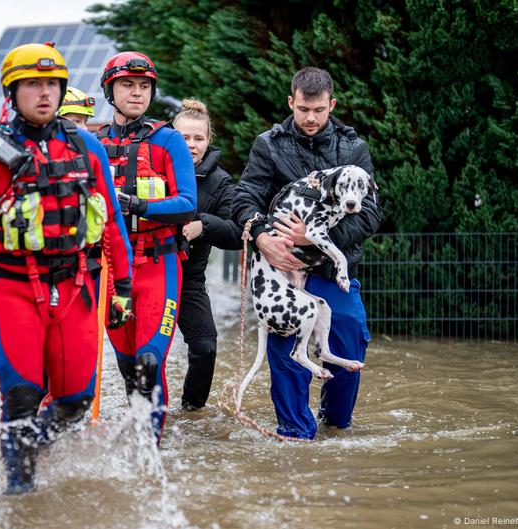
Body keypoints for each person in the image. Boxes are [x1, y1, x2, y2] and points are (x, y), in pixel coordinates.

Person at [0, 42, 134, 494]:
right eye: (32, 85)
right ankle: (19, 492)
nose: (44, 93)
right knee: (22, 396)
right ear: (13, 90)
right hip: (13, 288)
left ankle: (28, 445)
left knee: (75, 402)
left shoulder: (86, 148)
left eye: (51, 84)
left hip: (77, 286)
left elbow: (113, 225)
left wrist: (122, 287)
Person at [231, 67, 382, 440]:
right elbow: (244, 197)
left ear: (331, 104)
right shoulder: (268, 144)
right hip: (280, 266)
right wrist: (263, 236)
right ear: (290, 103)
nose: (310, 118)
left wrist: (311, 239)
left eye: (318, 110)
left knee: (348, 338)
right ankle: (296, 435)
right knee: (285, 353)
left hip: (331, 267)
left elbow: (371, 213)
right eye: (302, 109)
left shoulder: (353, 148)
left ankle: (336, 425)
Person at [97, 51, 196, 442]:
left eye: (144, 86)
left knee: (149, 362)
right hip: (109, 271)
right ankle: (138, 439)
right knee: (128, 369)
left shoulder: (168, 140)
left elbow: (188, 203)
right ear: (110, 90)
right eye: (127, 85)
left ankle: (152, 449)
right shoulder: (91, 142)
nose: (137, 93)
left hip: (159, 266)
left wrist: (135, 204)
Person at [172, 98, 242, 411]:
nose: (191, 145)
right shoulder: (156, 169)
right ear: (173, 137)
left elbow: (236, 233)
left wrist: (204, 225)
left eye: (198, 138)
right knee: (145, 352)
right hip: (151, 272)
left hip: (189, 279)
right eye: (184, 138)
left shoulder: (220, 181)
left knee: (205, 346)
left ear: (208, 140)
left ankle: (191, 410)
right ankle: (146, 410)